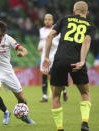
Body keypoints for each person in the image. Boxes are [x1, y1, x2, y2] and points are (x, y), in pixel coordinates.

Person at [42, 1, 96, 131]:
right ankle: (84, 123)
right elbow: (86, 41)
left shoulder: (65, 19)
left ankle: (60, 128)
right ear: (87, 13)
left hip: (60, 60)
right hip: (76, 61)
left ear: (73, 12)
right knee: (85, 92)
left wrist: (46, 57)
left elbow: (50, 36)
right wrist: (82, 60)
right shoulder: (90, 25)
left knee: (55, 96)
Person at [38, 13, 68, 102]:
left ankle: (64, 90)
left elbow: (59, 43)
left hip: (54, 55)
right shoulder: (41, 30)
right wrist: (40, 50)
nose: (47, 21)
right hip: (44, 56)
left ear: (53, 21)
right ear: (44, 20)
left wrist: (53, 44)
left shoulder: (56, 30)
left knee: (54, 75)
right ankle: (44, 96)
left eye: (49, 19)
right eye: (46, 19)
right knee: (44, 74)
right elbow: (42, 42)